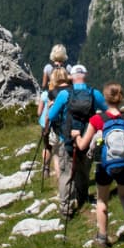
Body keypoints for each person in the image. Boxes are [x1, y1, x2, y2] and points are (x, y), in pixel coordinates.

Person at [77, 83, 124, 248]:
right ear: (121, 98)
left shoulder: (97, 119)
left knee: (102, 200)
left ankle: (102, 237)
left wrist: (76, 136)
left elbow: (82, 146)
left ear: (105, 99)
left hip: (104, 165)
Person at [44, 64, 106, 220]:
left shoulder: (64, 94)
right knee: (84, 172)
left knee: (66, 174)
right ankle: (83, 197)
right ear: (86, 75)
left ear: (71, 77)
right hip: (86, 139)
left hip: (68, 139)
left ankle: (65, 208)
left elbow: (51, 116)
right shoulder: (94, 94)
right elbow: (107, 109)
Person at [39, 66, 70, 179]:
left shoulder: (51, 93)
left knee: (55, 154)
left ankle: (59, 179)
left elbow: (49, 114)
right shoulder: (71, 90)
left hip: (56, 128)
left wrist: (46, 126)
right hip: (70, 127)